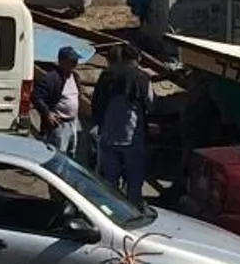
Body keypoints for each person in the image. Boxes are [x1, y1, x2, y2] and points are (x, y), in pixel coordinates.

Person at [91, 47, 152, 202]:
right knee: (134, 179)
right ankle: (132, 211)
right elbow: (151, 104)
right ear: (138, 58)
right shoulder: (143, 77)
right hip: (132, 138)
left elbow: (96, 103)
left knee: (109, 181)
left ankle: (110, 211)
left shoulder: (106, 77)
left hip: (109, 136)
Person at [33, 47, 83, 159]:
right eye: (72, 61)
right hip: (59, 125)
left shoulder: (75, 77)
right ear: (62, 61)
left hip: (73, 123)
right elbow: (36, 97)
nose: (75, 64)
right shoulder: (51, 78)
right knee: (58, 156)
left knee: (71, 155)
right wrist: (48, 113)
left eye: (76, 61)